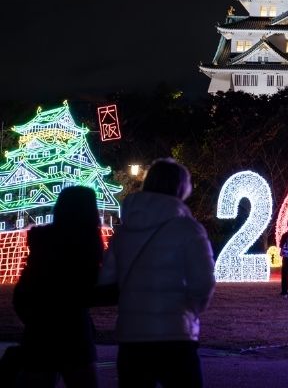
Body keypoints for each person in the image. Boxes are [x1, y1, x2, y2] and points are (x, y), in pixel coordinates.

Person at [98, 158, 216, 388]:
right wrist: (190, 311)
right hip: (176, 336)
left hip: (132, 338)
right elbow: (203, 282)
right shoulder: (188, 228)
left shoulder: (125, 231)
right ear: (182, 187)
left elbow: (106, 280)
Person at [13, 186, 104, 387]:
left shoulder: (42, 241)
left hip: (40, 331)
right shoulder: (87, 241)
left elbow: (22, 291)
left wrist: (33, 318)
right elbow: (88, 288)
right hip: (74, 331)